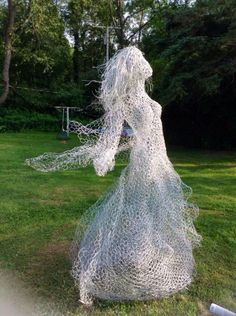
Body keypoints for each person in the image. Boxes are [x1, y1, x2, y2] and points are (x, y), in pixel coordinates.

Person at [26, 46, 201, 306]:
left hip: (160, 160)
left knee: (158, 208)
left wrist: (161, 157)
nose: (144, 61)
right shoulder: (125, 102)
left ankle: (146, 250)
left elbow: (154, 134)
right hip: (144, 162)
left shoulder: (148, 99)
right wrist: (106, 154)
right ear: (129, 68)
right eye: (138, 58)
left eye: (142, 56)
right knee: (140, 206)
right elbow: (111, 134)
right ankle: (138, 254)